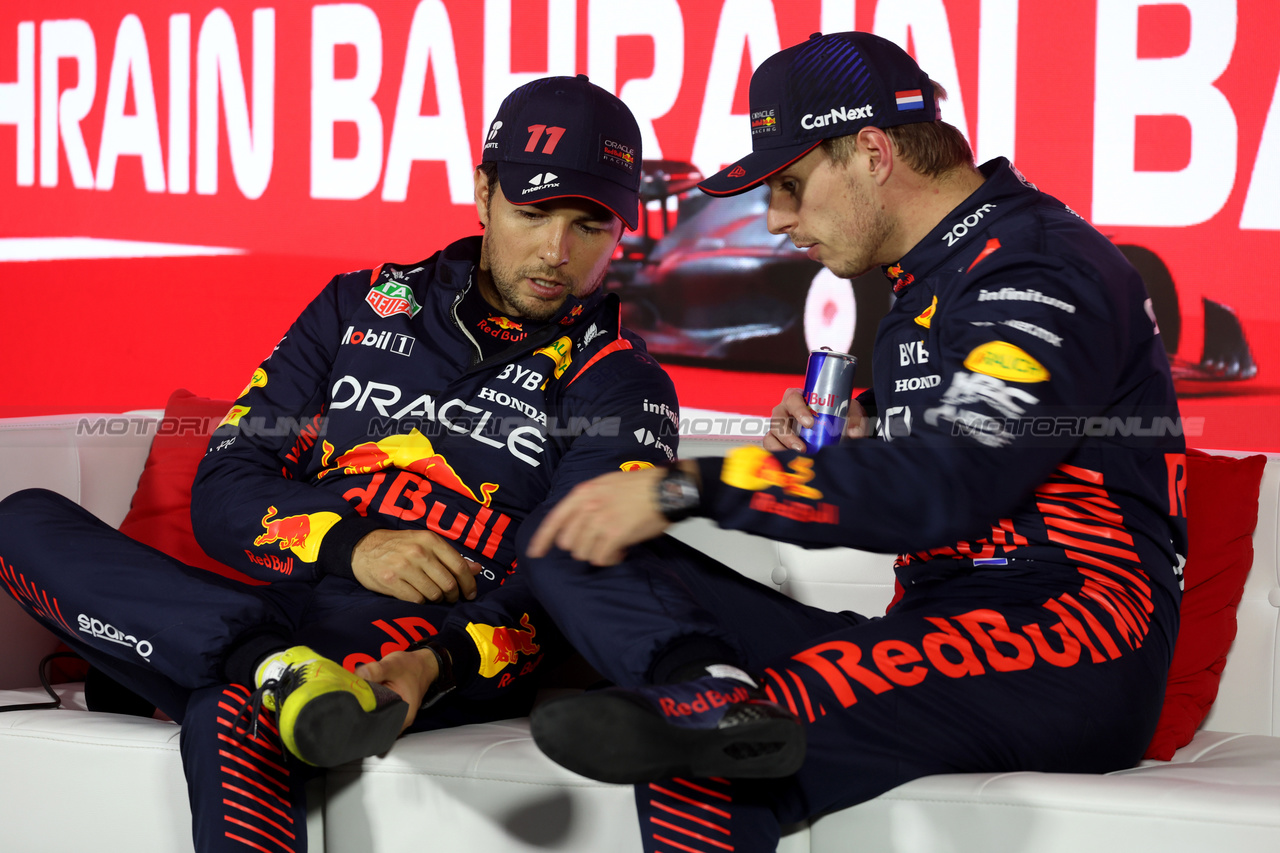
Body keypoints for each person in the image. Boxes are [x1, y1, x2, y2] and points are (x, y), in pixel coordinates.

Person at [521, 32, 1188, 852]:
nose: (778, 220)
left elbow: (953, 480)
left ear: (872, 152)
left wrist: (685, 484)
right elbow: (997, 421)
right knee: (567, 542)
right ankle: (717, 687)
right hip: (939, 629)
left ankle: (721, 713)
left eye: (792, 186)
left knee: (709, 757)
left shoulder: (1038, 268)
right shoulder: (928, 272)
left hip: (1071, 637)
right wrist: (864, 427)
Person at [0, 74, 678, 853]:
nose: (555, 253)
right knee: (21, 519)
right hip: (278, 608)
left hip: (425, 645)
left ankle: (242, 671)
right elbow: (225, 487)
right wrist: (352, 544)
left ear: (621, 230)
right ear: (484, 192)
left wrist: (439, 661)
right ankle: (271, 665)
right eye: (531, 213)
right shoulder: (358, 305)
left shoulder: (623, 381)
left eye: (588, 225)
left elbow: (582, 580)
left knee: (228, 709)